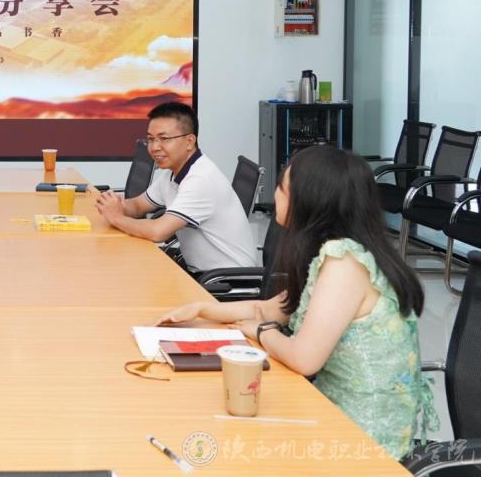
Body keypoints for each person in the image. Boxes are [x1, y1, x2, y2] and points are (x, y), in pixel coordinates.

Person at [155, 145, 438, 460]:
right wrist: (201, 309)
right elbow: (269, 308)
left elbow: (303, 359)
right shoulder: (334, 252)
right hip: (328, 411)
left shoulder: (344, 263)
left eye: (282, 188)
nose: (275, 194)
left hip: (362, 441)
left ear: (311, 202)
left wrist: (261, 332)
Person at [93, 101, 256, 272]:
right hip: (200, 272)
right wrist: (114, 204)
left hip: (228, 280)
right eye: (151, 139)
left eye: (164, 139)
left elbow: (158, 232)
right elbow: (139, 205)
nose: (154, 147)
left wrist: (117, 218)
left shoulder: (200, 180)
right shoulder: (173, 173)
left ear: (189, 142)